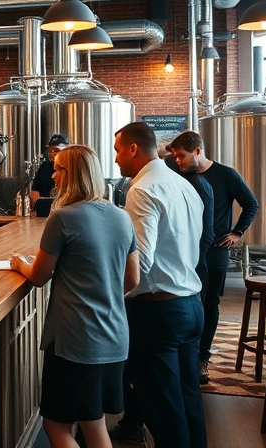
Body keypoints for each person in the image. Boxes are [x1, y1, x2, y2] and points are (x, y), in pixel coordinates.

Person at [13, 145, 139, 448]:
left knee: (56, 425)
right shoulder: (122, 217)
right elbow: (132, 279)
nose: (52, 174)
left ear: (73, 175)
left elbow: (40, 276)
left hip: (76, 342)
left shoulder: (64, 218)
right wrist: (100, 291)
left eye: (58, 168)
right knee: (92, 423)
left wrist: (20, 264)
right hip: (115, 337)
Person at [114, 122, 206, 448]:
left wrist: (110, 294)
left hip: (159, 311)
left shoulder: (142, 190)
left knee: (163, 409)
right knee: (188, 398)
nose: (116, 159)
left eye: (118, 151)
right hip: (192, 304)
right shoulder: (184, 185)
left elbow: (140, 261)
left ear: (134, 149)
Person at [169, 130, 259, 385]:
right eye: (175, 157)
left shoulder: (225, 174)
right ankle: (185, 355)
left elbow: (251, 203)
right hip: (187, 249)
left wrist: (237, 232)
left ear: (197, 151)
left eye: (181, 156)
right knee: (187, 302)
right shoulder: (180, 176)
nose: (178, 161)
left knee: (209, 304)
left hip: (216, 249)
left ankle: (202, 359)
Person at [30, 133, 70, 217]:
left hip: (65, 211)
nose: (53, 154)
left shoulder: (72, 169)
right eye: (50, 151)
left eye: (57, 150)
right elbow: (34, 193)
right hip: (45, 211)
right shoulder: (43, 167)